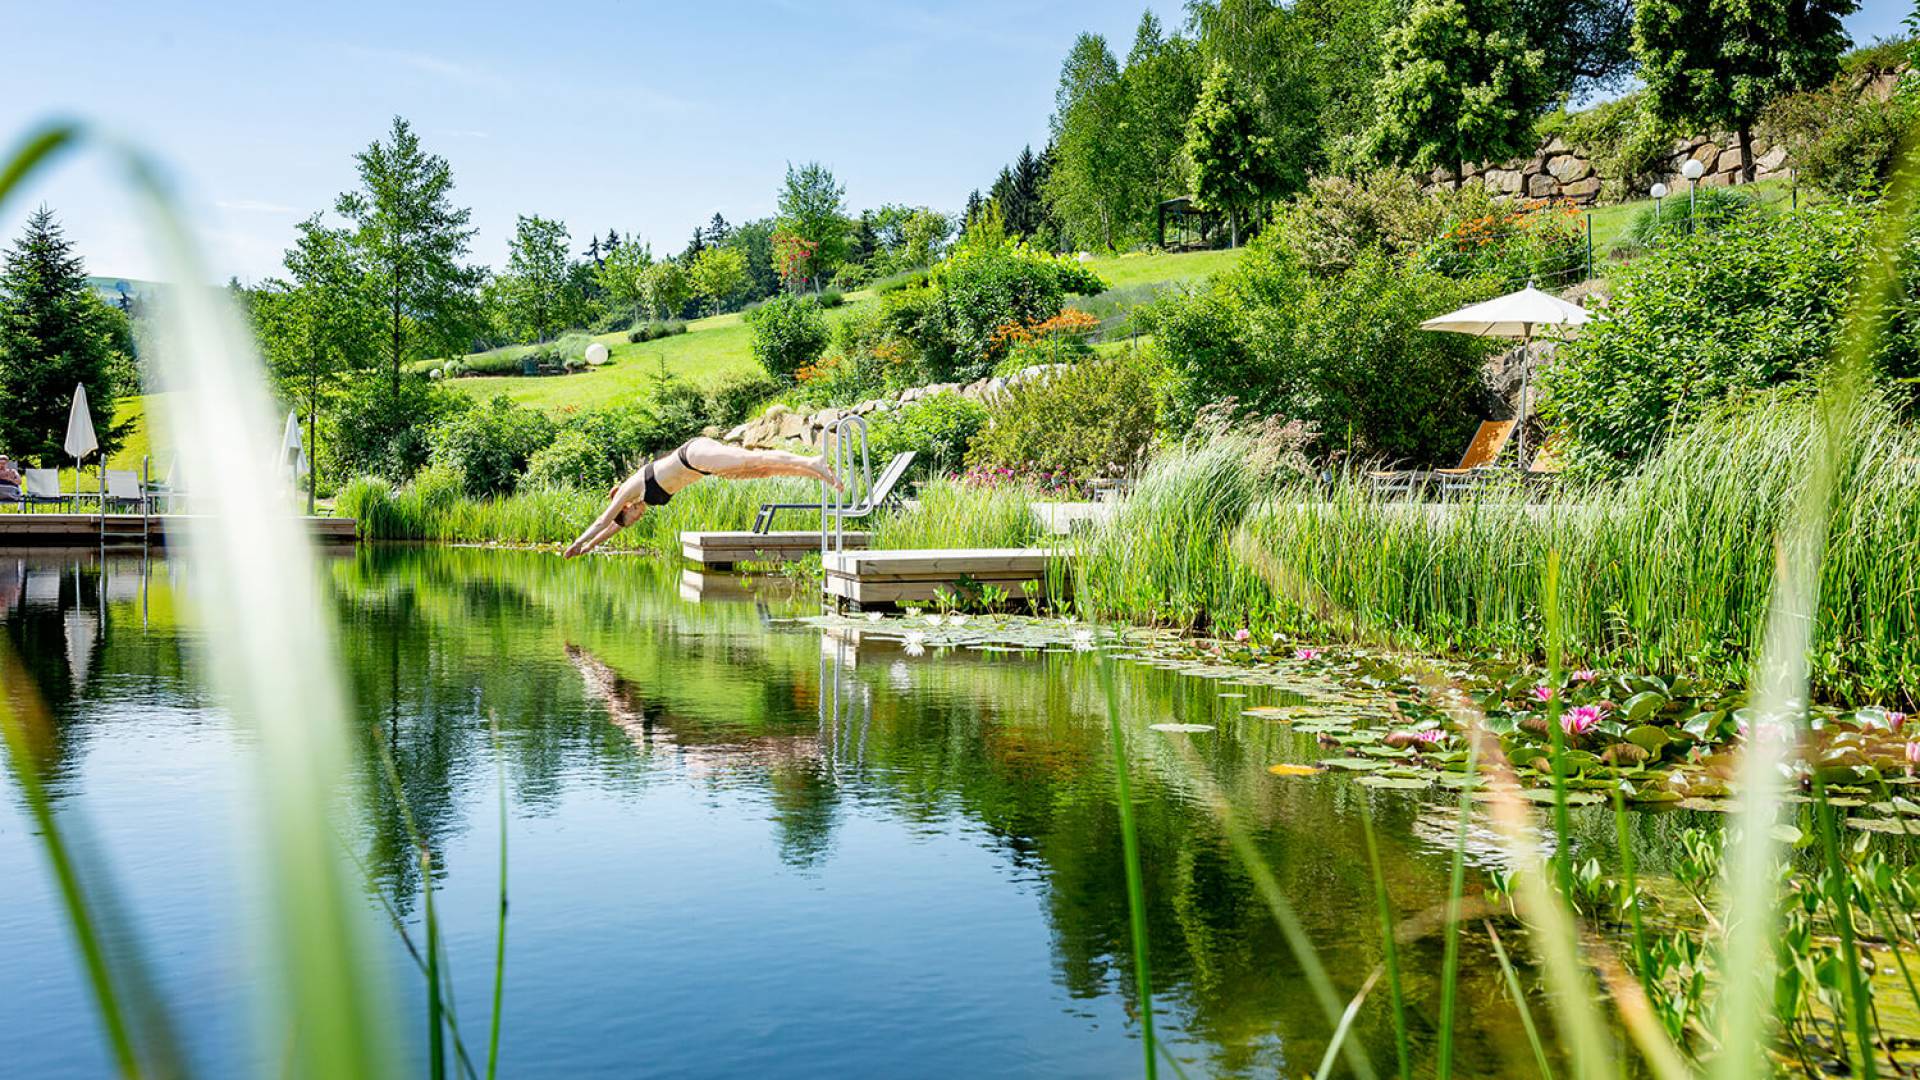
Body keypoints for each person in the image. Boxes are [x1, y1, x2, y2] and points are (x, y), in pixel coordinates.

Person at [563, 436, 839, 558]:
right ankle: (814, 472)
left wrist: (578, 541)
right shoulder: (638, 501)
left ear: (625, 508)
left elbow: (604, 520)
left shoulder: (629, 490)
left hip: (692, 456)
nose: (638, 518)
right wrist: (590, 548)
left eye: (632, 519)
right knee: (761, 471)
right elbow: (612, 528)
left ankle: (811, 461)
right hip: (701, 467)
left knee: (754, 459)